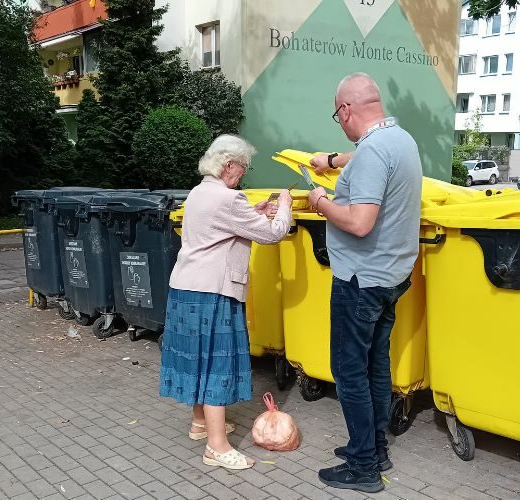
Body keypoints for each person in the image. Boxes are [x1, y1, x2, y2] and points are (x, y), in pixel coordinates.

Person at [308, 73, 422, 494]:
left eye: (338, 116)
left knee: (348, 369)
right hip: (391, 275)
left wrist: (320, 202)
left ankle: (363, 467)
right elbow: (364, 158)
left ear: (347, 110)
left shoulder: (373, 151)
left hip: (361, 280)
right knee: (375, 363)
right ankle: (375, 446)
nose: (339, 123)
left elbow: (359, 222)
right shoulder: (401, 140)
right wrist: (331, 160)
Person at [160, 135, 292, 470]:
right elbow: (273, 234)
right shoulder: (229, 199)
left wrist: (254, 211)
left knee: (195, 359)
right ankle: (216, 448)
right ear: (229, 165)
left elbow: (222, 227)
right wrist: (285, 205)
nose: (242, 176)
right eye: (242, 169)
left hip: (186, 288)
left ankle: (200, 424)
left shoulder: (199, 192)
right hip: (213, 292)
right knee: (216, 365)